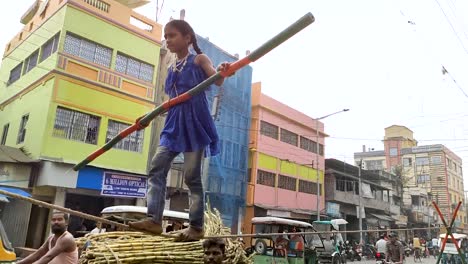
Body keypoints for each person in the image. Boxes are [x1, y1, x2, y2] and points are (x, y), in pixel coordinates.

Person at [129, 19, 230, 242]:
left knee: (192, 177)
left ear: (187, 38)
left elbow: (217, 79)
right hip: (173, 123)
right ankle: (154, 220)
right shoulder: (171, 67)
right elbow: (170, 101)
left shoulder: (199, 59)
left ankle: (196, 227)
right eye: (166, 36)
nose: (168, 39)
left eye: (172, 35)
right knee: (157, 167)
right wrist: (148, 118)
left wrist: (223, 71)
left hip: (195, 121)